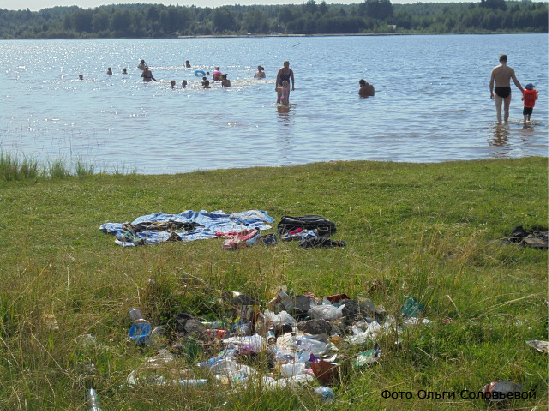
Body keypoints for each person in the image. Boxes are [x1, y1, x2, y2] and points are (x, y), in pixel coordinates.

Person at [489, 54, 523, 123]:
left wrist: (491, 92)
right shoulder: (510, 70)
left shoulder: (495, 70)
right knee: (506, 109)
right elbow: (516, 82)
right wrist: (521, 89)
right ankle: (505, 123)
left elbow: (491, 82)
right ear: (506, 60)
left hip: (498, 89)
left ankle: (499, 123)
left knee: (498, 110)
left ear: (499, 60)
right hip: (507, 89)